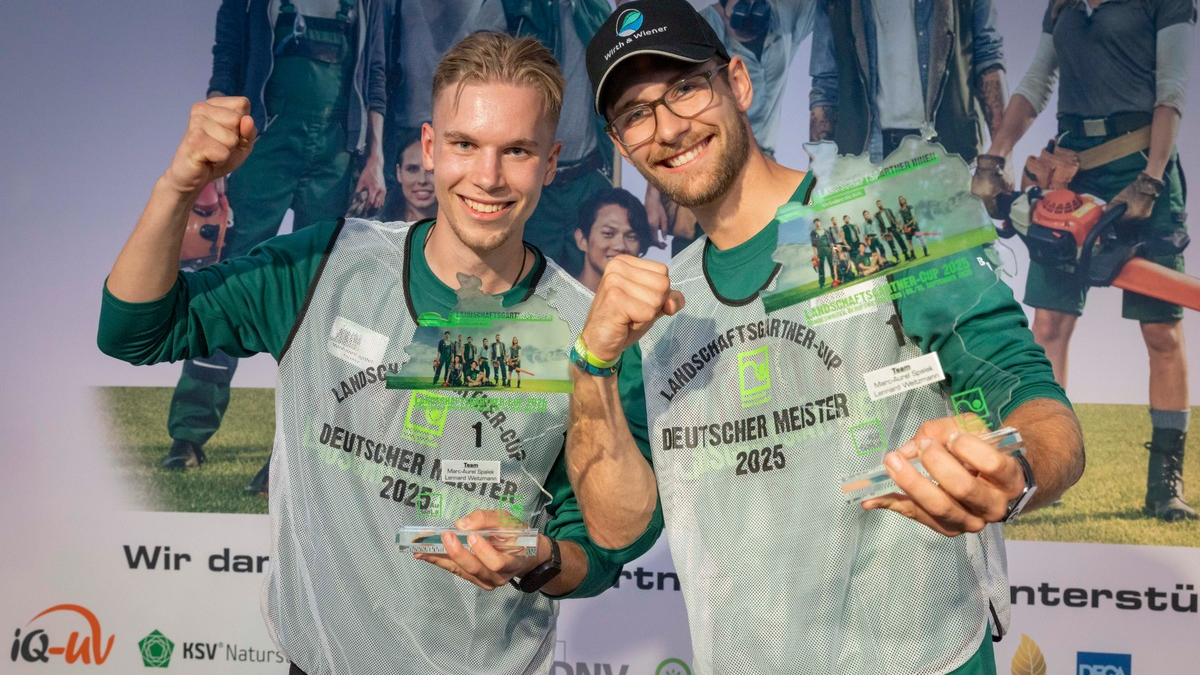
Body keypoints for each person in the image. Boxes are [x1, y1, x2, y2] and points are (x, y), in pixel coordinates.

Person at [98, 32, 654, 674]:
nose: (488, 176)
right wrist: (179, 183)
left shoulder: (591, 334)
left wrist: (540, 557)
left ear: (551, 162)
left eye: (518, 151)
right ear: (427, 147)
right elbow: (134, 331)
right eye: (465, 144)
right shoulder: (325, 264)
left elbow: (607, 546)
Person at [570, 1, 1084, 673]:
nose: (668, 127)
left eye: (686, 88)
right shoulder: (657, 311)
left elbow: (1037, 404)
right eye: (637, 113)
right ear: (619, 142)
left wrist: (1012, 473)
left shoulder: (892, 212)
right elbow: (618, 527)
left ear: (739, 83)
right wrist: (592, 362)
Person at [977, 0, 1196, 521]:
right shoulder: (1064, 5)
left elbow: (1173, 90)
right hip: (1070, 179)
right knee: (1049, 324)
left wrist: (1152, 177)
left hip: (1144, 170)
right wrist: (995, 154)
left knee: (1161, 331)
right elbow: (1035, 83)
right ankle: (1042, 469)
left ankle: (1166, 483)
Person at [163, 0, 389, 478]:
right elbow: (225, 66)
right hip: (259, 153)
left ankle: (289, 455)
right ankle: (187, 435)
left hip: (335, 158)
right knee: (225, 293)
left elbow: (374, 80)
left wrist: (375, 159)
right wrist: (212, 152)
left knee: (317, 311)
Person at [650, 0, 819, 255]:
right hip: (705, 159)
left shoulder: (786, 17)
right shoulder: (696, 27)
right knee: (697, 253)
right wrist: (653, 194)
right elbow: (664, 104)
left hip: (760, 162)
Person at [472, 0, 617, 277]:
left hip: (588, 179)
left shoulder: (597, 8)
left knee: (590, 293)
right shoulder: (510, 5)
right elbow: (474, 74)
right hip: (532, 183)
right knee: (525, 288)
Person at [808, 0, 1008, 164]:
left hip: (948, 153)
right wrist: (816, 175)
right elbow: (826, 86)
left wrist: (1002, 157)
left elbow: (988, 61)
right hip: (868, 158)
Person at [574, 188, 653, 292]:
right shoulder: (552, 301)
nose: (620, 246)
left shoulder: (649, 304)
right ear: (582, 240)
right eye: (608, 234)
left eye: (631, 237)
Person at [383, 127, 438, 222]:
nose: (422, 180)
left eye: (432, 171)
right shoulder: (376, 232)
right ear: (399, 173)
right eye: (412, 169)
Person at [876, 197, 913, 261]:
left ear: (882, 204)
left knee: (900, 241)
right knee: (891, 244)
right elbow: (879, 225)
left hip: (893, 227)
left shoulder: (888, 210)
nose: (880, 205)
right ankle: (897, 258)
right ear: (877, 205)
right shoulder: (877, 215)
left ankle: (906, 255)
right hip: (886, 231)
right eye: (878, 204)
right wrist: (882, 234)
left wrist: (898, 225)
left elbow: (893, 218)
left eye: (880, 203)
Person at [809, 217, 839, 287]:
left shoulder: (827, 231)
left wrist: (834, 249)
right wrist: (815, 253)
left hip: (828, 249)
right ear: (814, 224)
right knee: (821, 267)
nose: (817, 223)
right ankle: (822, 283)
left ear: (820, 222)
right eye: (815, 222)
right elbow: (813, 244)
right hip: (820, 250)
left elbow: (832, 241)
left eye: (818, 222)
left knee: (832, 265)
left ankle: (835, 279)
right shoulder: (813, 233)